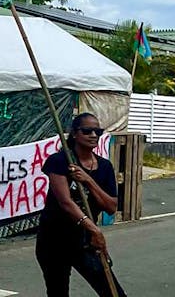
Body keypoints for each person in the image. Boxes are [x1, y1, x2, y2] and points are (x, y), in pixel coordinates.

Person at [36, 112, 127, 297]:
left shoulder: (104, 167)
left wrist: (88, 181)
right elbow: (65, 202)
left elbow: (111, 206)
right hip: (54, 239)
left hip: (85, 241)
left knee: (113, 292)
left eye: (97, 132)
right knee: (58, 292)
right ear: (75, 134)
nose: (93, 135)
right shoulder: (60, 161)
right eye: (87, 131)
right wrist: (95, 230)